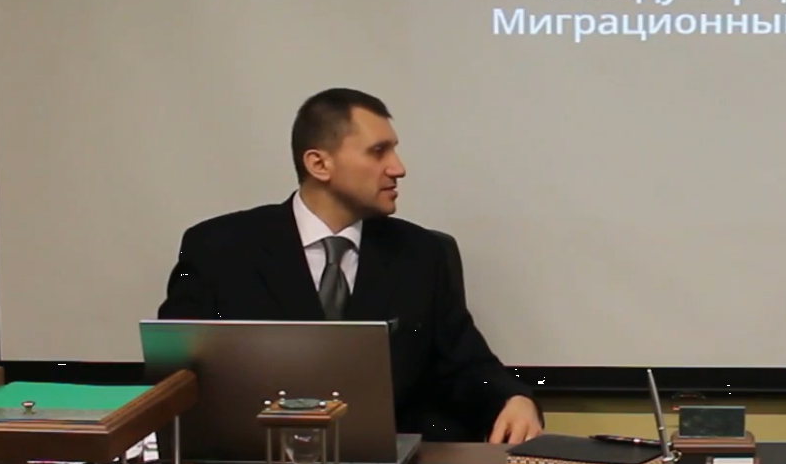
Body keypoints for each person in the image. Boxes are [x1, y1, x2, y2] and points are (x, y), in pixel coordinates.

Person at [157, 87, 543, 444]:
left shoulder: (421, 254)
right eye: (378, 152)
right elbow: (176, 380)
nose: (398, 168)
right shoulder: (220, 249)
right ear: (319, 164)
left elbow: (466, 365)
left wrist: (512, 399)